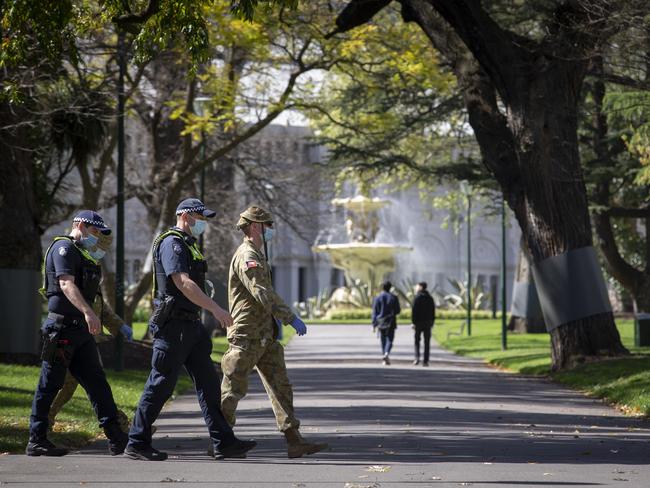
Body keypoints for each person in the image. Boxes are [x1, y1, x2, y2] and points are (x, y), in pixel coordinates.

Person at [125, 198, 256, 461]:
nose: (203, 223)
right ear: (185, 216)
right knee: (161, 383)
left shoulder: (188, 245)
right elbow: (182, 283)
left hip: (190, 326)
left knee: (209, 384)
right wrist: (215, 309)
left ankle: (223, 442)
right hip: (173, 327)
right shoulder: (172, 243)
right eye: (200, 218)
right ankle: (137, 442)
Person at [220, 205, 329, 459]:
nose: (271, 231)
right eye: (268, 226)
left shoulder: (257, 253)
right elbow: (261, 292)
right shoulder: (248, 255)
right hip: (247, 334)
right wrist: (290, 317)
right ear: (256, 227)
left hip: (264, 335)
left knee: (281, 386)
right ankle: (221, 439)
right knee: (233, 389)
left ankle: (294, 440)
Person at [27, 211, 128, 457]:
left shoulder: (85, 254)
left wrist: (97, 317)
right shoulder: (64, 248)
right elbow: (65, 283)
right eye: (95, 232)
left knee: (97, 383)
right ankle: (37, 439)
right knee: (50, 384)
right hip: (61, 328)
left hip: (79, 332)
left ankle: (116, 437)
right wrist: (88, 313)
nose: (96, 238)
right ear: (81, 225)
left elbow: (93, 295)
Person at [49, 232, 132, 433]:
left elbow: (100, 307)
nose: (101, 251)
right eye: (100, 247)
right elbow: (69, 291)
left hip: (85, 337)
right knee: (69, 384)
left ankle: (118, 425)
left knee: (85, 385)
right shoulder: (75, 263)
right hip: (70, 332)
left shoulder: (91, 267)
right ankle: (44, 421)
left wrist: (119, 326)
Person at [371, 281, 401, 365]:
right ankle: (386, 353)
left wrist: (374, 324)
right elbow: (398, 310)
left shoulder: (377, 297)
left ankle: (384, 355)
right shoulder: (394, 297)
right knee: (390, 339)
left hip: (380, 321)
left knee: (383, 339)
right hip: (390, 320)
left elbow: (375, 312)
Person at [411, 281, 436, 366]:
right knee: (427, 342)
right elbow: (433, 311)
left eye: (417, 286)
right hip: (428, 322)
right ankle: (425, 360)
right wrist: (432, 321)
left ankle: (417, 358)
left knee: (417, 341)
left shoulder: (417, 298)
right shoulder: (430, 298)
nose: (416, 288)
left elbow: (414, 311)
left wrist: (413, 322)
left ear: (421, 287)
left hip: (418, 322)